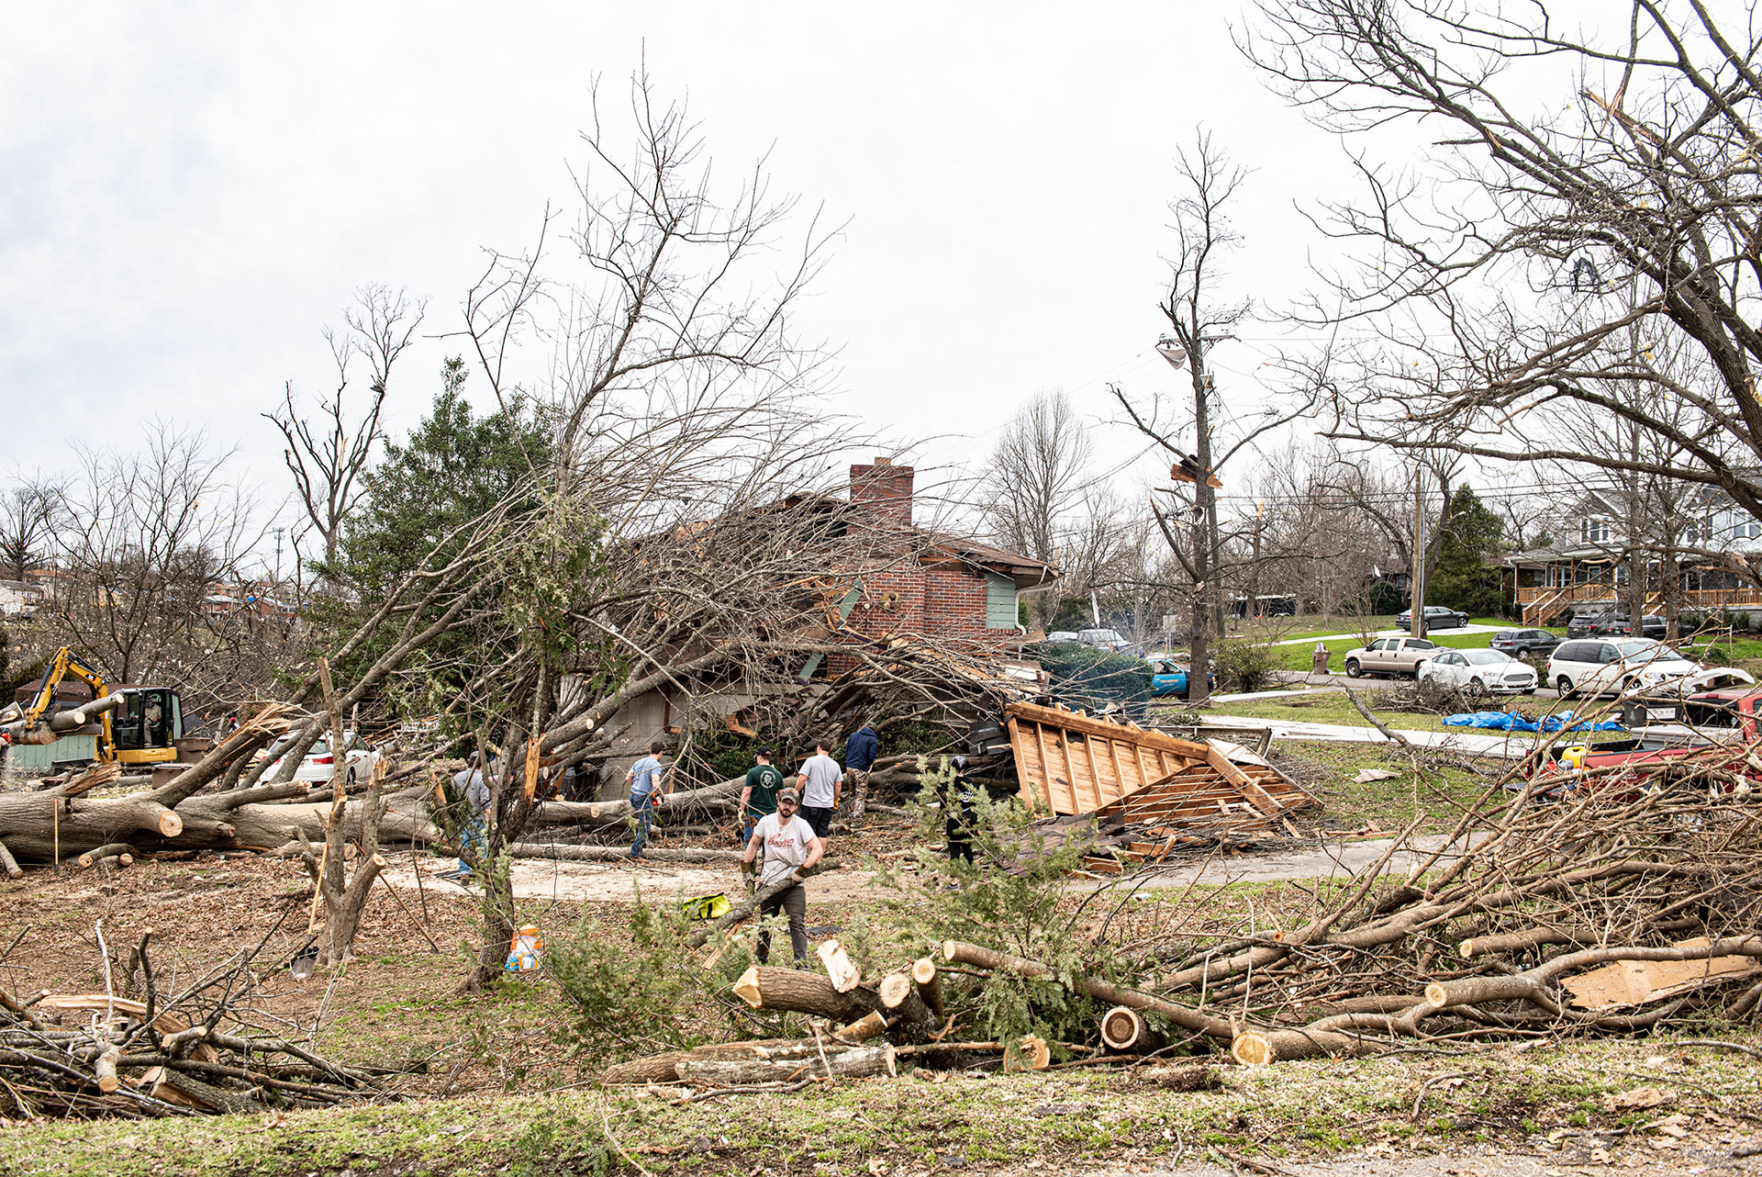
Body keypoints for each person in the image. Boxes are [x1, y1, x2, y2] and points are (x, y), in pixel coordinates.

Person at [742, 787, 824, 967]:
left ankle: (801, 963)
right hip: (769, 881)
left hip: (793, 884)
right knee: (765, 924)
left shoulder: (801, 825)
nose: (787, 806)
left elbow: (817, 849)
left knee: (796, 922)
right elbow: (754, 843)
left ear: (796, 807)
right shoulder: (766, 822)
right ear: (778, 802)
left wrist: (802, 871)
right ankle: (761, 961)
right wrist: (746, 869)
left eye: (791, 804)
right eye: (784, 802)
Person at [445, 752, 491, 879]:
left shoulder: (457, 777)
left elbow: (453, 797)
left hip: (461, 816)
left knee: (463, 844)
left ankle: (464, 871)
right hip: (477, 816)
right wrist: (489, 818)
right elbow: (485, 800)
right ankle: (482, 869)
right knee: (482, 843)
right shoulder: (482, 779)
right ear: (482, 764)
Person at [624, 740, 668, 860]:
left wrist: (636, 785)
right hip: (643, 798)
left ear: (650, 751)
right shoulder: (655, 765)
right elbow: (655, 783)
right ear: (660, 753)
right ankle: (635, 854)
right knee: (645, 827)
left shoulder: (639, 762)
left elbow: (628, 778)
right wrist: (661, 795)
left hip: (633, 795)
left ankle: (642, 848)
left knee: (643, 823)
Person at [794, 739, 842, 841]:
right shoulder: (835, 765)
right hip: (828, 805)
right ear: (830, 749)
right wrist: (835, 800)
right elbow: (838, 786)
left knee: (803, 831)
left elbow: (802, 778)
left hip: (811, 804)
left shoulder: (811, 761)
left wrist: (795, 792)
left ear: (818, 747)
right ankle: (819, 856)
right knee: (822, 833)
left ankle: (801, 855)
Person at [739, 748, 784, 848]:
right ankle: (767, 862)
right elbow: (782, 796)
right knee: (768, 843)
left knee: (751, 842)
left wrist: (741, 809)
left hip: (754, 814)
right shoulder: (778, 775)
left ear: (759, 757)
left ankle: (750, 862)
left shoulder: (752, 772)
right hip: (770, 814)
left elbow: (746, 793)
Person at [941, 755, 978, 864]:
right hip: (969, 818)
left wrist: (939, 817)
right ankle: (971, 870)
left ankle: (954, 876)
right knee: (968, 847)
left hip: (954, 819)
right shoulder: (971, 783)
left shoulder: (948, 784)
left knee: (954, 849)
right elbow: (976, 800)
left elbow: (943, 803)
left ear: (951, 766)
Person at [843, 724, 879, 822]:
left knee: (852, 792)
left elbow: (846, 751)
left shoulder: (853, 735)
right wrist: (868, 764)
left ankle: (849, 816)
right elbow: (871, 756)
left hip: (849, 767)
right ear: (874, 730)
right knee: (860, 794)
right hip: (861, 768)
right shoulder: (872, 740)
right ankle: (856, 820)